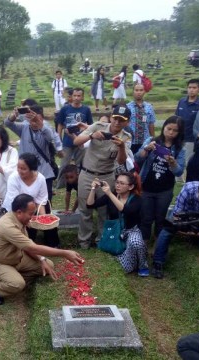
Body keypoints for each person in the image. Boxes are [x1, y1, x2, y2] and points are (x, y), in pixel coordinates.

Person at [0, 194, 85, 305]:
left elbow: (28, 245)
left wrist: (41, 259)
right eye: (31, 214)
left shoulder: (19, 219)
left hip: (16, 258)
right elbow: (32, 248)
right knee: (17, 284)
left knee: (48, 265)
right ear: (19, 212)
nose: (32, 217)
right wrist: (64, 253)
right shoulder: (7, 226)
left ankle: (14, 275)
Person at [73, 105, 132, 249]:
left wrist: (121, 147)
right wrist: (91, 136)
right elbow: (76, 142)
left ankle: (101, 241)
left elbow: (121, 161)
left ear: (127, 122)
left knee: (103, 211)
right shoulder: (97, 126)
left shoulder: (126, 137)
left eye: (121, 120)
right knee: (85, 210)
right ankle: (84, 242)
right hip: (87, 174)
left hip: (107, 177)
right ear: (111, 116)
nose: (117, 122)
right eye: (115, 118)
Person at [152, 176, 199, 279]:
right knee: (167, 229)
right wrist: (180, 227)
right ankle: (158, 262)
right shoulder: (188, 189)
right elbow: (176, 214)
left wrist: (197, 234)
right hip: (184, 214)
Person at [135, 116, 187, 242]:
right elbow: (137, 158)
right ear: (164, 127)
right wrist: (146, 149)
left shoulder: (180, 149)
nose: (170, 132)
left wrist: (173, 163)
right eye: (169, 128)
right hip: (146, 186)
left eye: (175, 131)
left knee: (160, 218)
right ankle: (144, 242)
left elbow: (179, 171)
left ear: (179, 133)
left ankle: (159, 243)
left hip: (165, 190)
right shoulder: (152, 140)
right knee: (146, 218)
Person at [87, 172, 148, 276]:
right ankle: (132, 258)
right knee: (124, 268)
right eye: (117, 182)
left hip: (131, 231)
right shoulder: (112, 196)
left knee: (136, 243)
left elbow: (126, 210)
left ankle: (143, 265)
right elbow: (90, 204)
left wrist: (109, 193)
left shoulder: (137, 199)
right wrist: (93, 189)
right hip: (116, 231)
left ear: (131, 186)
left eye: (122, 183)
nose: (118, 185)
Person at [6, 104, 63, 198]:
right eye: (32, 120)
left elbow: (50, 137)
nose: (34, 123)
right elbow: (8, 123)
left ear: (42, 119)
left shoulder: (46, 128)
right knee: (25, 199)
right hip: (25, 171)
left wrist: (40, 123)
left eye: (37, 119)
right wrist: (14, 115)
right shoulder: (24, 128)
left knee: (46, 199)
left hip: (44, 171)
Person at [55, 89, 92, 189]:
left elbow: (90, 126)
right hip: (67, 142)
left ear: (82, 97)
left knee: (80, 164)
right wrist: (59, 139)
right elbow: (60, 125)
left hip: (81, 142)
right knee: (64, 164)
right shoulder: (65, 109)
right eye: (75, 96)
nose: (76, 98)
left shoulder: (86, 110)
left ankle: (79, 183)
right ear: (72, 97)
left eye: (79, 96)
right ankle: (60, 184)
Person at [175, 79, 199, 164]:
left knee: (188, 162)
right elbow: (176, 117)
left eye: (194, 88)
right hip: (178, 137)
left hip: (191, 139)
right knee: (176, 161)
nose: (191, 90)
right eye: (189, 87)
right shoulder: (181, 101)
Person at [126, 83, 157, 155]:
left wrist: (153, 139)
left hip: (145, 141)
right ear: (133, 92)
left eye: (141, 90)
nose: (139, 92)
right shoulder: (128, 107)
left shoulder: (149, 107)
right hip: (131, 141)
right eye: (136, 90)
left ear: (144, 92)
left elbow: (151, 124)